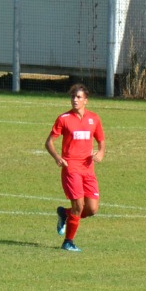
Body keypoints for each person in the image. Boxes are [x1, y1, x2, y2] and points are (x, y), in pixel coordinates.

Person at [46, 83, 104, 252]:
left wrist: (100, 153)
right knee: (78, 205)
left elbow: (101, 140)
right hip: (71, 168)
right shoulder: (63, 119)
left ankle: (65, 213)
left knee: (92, 209)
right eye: (73, 97)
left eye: (78, 97)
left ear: (86, 100)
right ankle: (68, 242)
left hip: (88, 169)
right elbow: (49, 142)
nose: (75, 100)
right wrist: (57, 157)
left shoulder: (94, 119)